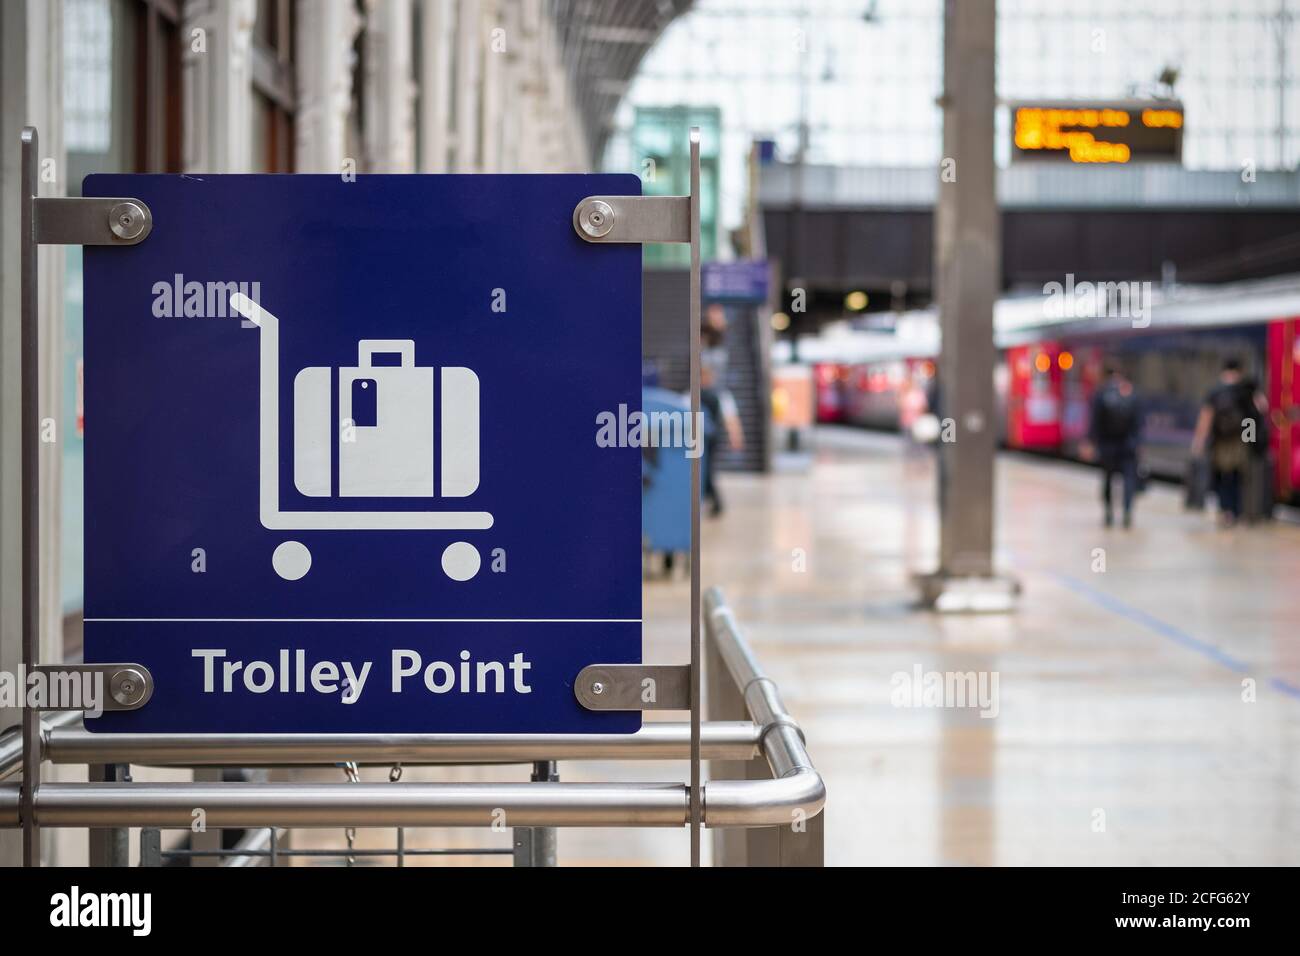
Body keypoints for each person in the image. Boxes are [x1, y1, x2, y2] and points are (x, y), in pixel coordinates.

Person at [1192, 358, 1267, 527]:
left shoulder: (1215, 391)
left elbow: (1206, 418)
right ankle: (1238, 511)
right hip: (1241, 442)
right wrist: (1252, 442)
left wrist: (1199, 441)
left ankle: (1226, 511)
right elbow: (1258, 413)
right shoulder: (1248, 390)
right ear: (1239, 371)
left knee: (1221, 477)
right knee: (1239, 477)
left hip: (1220, 443)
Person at [1087, 365, 1142, 528]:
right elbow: (1138, 423)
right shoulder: (1133, 395)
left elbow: (1095, 422)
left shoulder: (1102, 394)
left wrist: (1091, 442)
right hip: (1128, 446)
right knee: (1129, 480)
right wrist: (1138, 444)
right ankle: (1127, 512)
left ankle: (1109, 513)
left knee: (1108, 479)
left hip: (1107, 446)